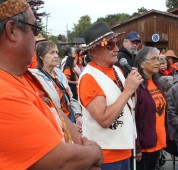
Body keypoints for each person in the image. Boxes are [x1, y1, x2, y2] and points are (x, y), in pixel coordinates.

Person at [0, 1, 102, 168]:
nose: (36, 38)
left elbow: (57, 112)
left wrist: (82, 157)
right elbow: (59, 162)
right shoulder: (3, 93)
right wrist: (94, 153)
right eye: (34, 29)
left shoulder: (23, 76)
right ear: (12, 31)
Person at [78, 22, 143, 170]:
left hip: (124, 148)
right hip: (105, 156)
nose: (116, 48)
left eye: (116, 42)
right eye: (109, 45)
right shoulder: (89, 77)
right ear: (94, 51)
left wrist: (133, 90)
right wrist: (127, 90)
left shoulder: (117, 70)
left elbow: (128, 105)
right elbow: (104, 119)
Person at [30, 40, 82, 128]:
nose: (56, 56)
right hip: (54, 125)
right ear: (41, 56)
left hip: (70, 119)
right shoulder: (35, 77)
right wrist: (68, 125)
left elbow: (71, 98)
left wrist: (78, 115)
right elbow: (44, 108)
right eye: (52, 53)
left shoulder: (59, 74)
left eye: (57, 52)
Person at [133, 46, 167, 170]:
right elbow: (133, 119)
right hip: (144, 145)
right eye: (153, 59)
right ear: (142, 64)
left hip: (158, 141)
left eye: (158, 59)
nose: (158, 62)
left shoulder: (157, 83)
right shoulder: (137, 86)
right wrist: (136, 146)